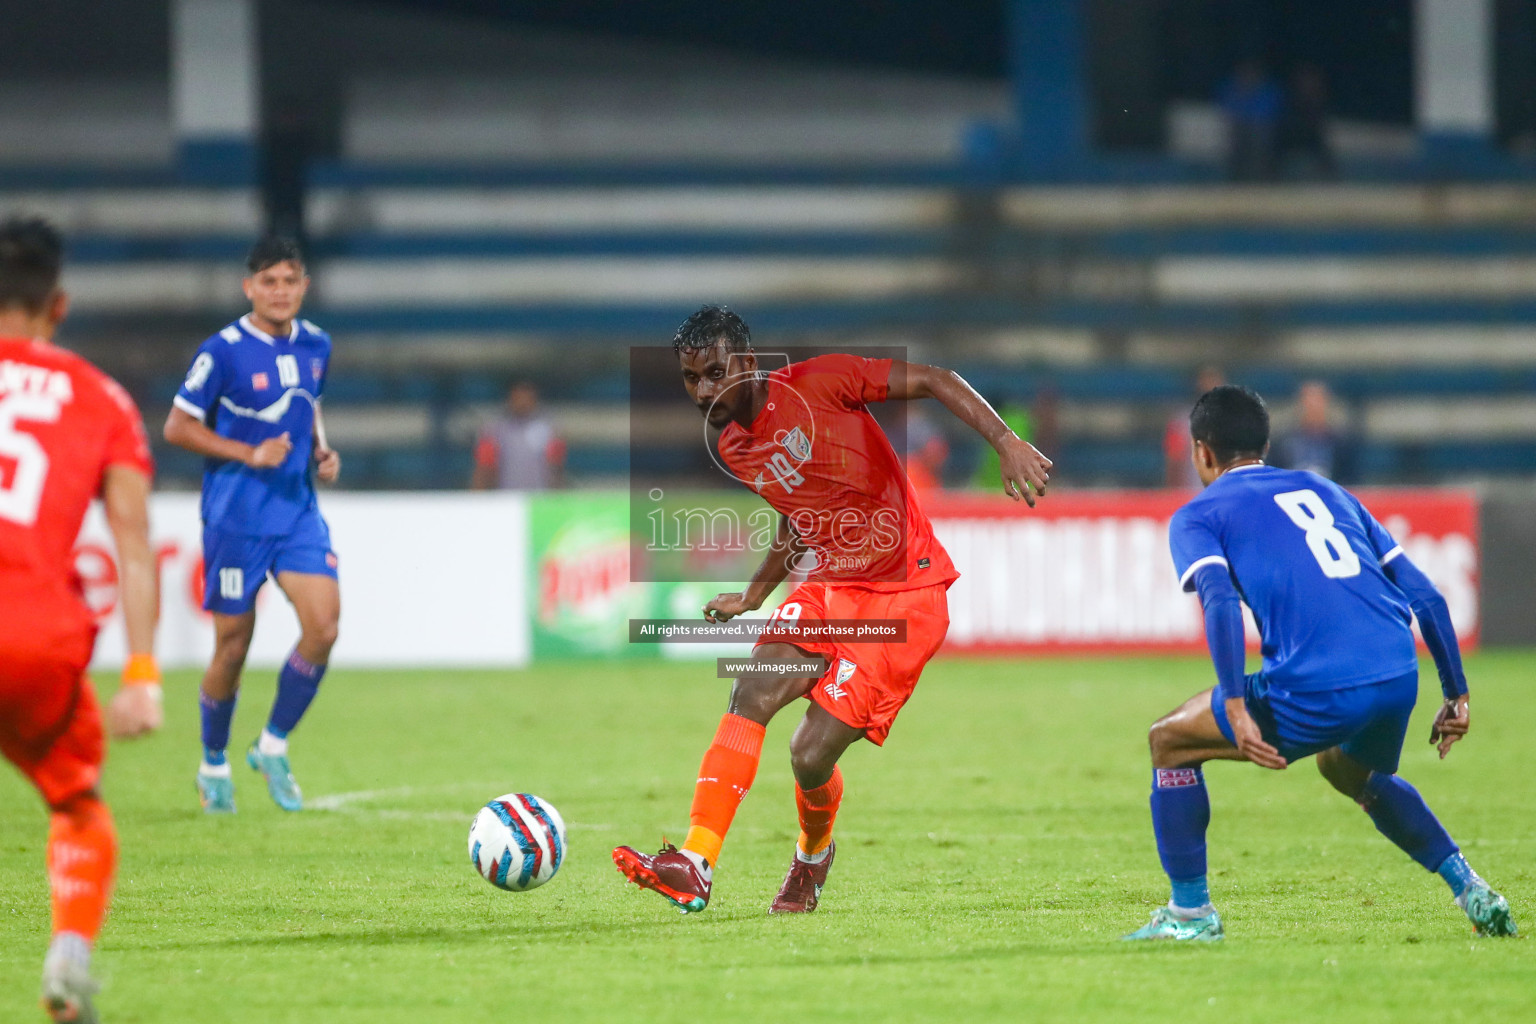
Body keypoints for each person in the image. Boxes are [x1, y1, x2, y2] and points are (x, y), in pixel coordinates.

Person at [612, 305, 1052, 914]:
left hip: (904, 596)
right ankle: (696, 860)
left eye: (715, 372)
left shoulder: (822, 381)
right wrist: (754, 596)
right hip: (831, 587)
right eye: (691, 379)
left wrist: (1006, 441)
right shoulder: (735, 446)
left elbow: (933, 378)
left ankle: (812, 858)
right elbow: (802, 513)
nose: (703, 391)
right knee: (752, 691)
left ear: (744, 362)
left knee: (809, 754)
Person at [1124, 385, 1515, 941]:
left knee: (1168, 739)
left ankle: (1190, 915)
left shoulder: (1199, 514)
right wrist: (1457, 694)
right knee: (1346, 768)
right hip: (1397, 674)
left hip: (1318, 684)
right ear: (1264, 442)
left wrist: (1235, 703)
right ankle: (1471, 887)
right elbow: (1426, 596)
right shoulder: (1324, 488)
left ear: (1202, 452)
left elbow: (1219, 600)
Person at [0, 216, 164, 1021]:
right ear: (56, 305)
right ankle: (67, 965)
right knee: (76, 806)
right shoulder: (100, 399)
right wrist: (141, 674)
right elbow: (133, 543)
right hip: (30, 636)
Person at [164, 236, 341, 814]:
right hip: (236, 518)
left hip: (296, 513)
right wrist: (248, 454)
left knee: (323, 626)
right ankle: (213, 761)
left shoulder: (317, 343)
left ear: (304, 287)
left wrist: (321, 449)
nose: (280, 291)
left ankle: (271, 744)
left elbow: (307, 400)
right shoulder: (223, 350)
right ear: (250, 288)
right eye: (269, 281)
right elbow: (177, 427)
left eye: (290, 281)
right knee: (233, 648)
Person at [471, 381, 565, 490]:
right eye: (518, 399)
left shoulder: (548, 430)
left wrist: (557, 497)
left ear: (534, 400)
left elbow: (556, 469)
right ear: (510, 400)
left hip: (539, 497)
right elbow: (483, 469)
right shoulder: (495, 431)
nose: (522, 403)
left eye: (526, 399)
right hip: (506, 497)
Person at [1273, 379, 1354, 483]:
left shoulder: (1342, 444)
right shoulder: (1283, 443)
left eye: (1318, 400)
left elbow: (1349, 478)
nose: (1313, 405)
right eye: (1308, 400)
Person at [1164, 366, 1224, 488]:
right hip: (1192, 490)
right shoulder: (1182, 420)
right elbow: (1174, 458)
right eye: (1207, 380)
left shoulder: (1234, 418)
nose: (1210, 385)